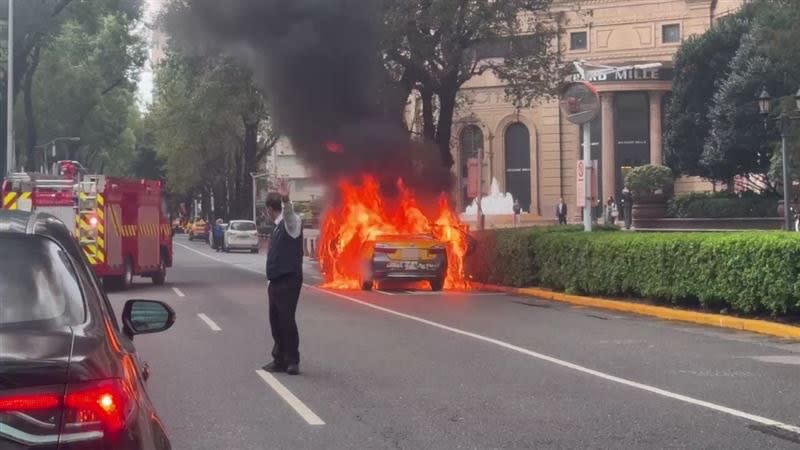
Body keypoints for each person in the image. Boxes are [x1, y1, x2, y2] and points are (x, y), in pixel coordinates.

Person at [262, 183, 304, 376]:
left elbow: (289, 214)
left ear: (270, 209)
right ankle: (278, 358)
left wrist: (286, 199)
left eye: (267, 210)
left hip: (289, 280)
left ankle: (292, 360)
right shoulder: (277, 228)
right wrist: (269, 282)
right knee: (276, 320)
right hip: (276, 281)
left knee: (286, 319)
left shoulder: (291, 223)